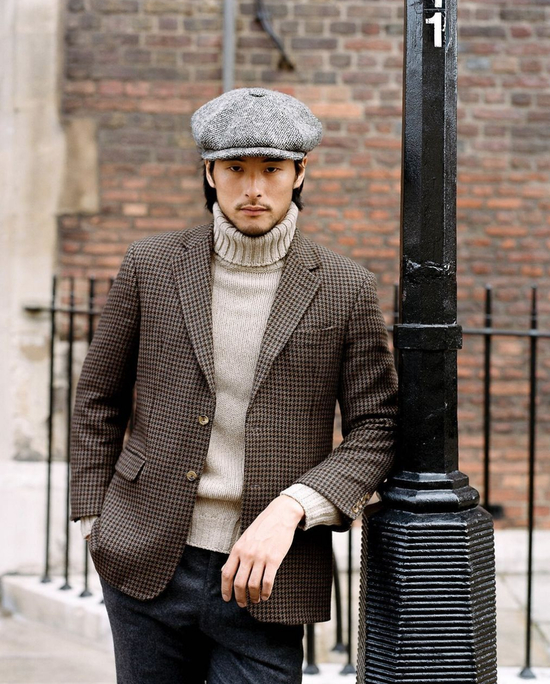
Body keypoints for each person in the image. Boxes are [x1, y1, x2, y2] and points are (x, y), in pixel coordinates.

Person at [70, 87, 398, 684]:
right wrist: (96, 520)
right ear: (209, 172)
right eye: (235, 168)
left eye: (271, 169)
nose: (253, 188)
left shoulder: (345, 286)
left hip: (269, 574)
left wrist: (294, 508)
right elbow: (98, 397)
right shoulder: (151, 265)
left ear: (301, 172)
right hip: (146, 557)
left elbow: (377, 425)